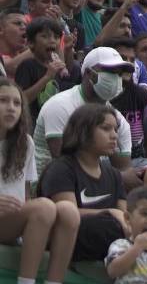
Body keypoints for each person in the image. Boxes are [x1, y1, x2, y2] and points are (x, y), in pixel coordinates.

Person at [0, 77, 78, 284]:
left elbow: (24, 194)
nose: (11, 107)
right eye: (3, 101)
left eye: (17, 103)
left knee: (68, 212)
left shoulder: (26, 143)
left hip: (10, 222)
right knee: (44, 206)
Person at [37, 102, 127, 261]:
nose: (114, 135)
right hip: (71, 236)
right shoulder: (61, 168)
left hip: (109, 234)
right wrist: (109, 212)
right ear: (83, 131)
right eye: (106, 128)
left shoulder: (114, 174)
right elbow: (66, 215)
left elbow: (124, 217)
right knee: (100, 227)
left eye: (115, 129)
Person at [32, 45, 133, 177]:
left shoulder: (118, 121)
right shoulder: (60, 106)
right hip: (48, 185)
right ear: (89, 74)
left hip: (94, 182)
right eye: (110, 71)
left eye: (119, 74)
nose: (116, 79)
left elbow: (123, 170)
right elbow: (64, 164)